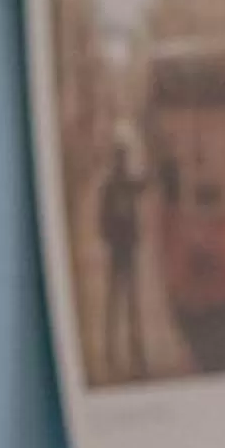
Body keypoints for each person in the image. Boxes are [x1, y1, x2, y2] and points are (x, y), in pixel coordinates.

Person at [96, 138, 150, 382]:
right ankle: (111, 347)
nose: (123, 163)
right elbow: (102, 219)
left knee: (129, 299)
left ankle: (134, 347)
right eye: (121, 159)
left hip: (127, 246)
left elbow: (144, 184)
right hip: (119, 247)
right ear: (117, 161)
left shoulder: (127, 183)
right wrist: (110, 238)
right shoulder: (110, 186)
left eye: (124, 159)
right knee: (117, 298)